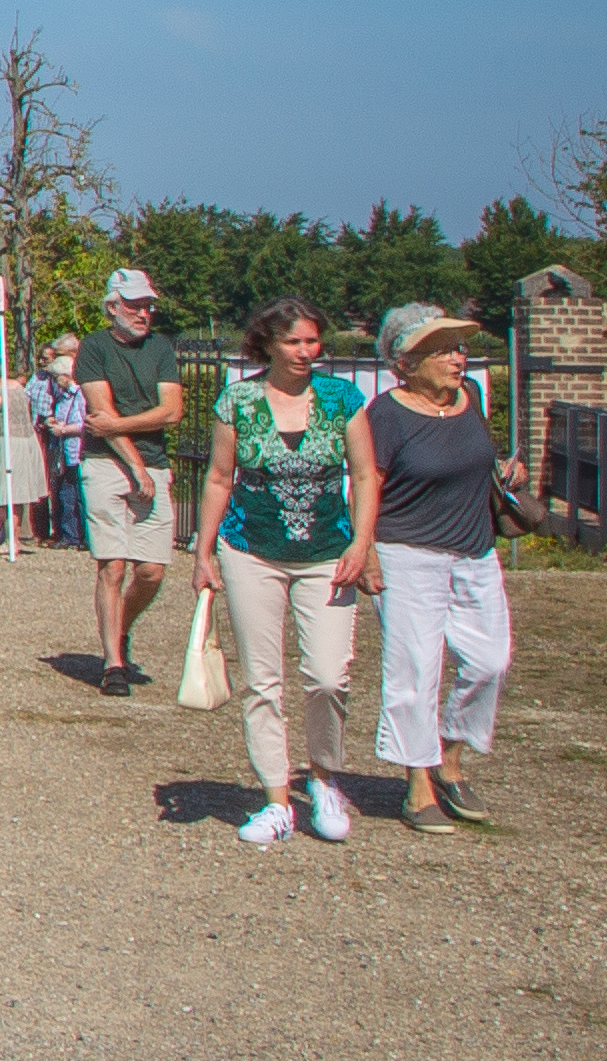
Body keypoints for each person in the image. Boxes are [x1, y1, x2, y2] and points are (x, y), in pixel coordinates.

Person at [187, 298, 360, 849]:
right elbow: (218, 477)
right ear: (267, 345)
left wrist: (363, 542)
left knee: (329, 675)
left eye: (313, 341)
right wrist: (203, 553)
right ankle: (277, 798)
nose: (307, 351)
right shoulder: (237, 399)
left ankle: (325, 779)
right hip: (251, 549)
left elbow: (367, 474)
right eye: (294, 342)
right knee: (263, 680)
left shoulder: (342, 398)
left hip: (328, 550)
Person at [351, 306, 520, 834]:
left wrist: (501, 473)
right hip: (408, 553)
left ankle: (447, 754)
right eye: (443, 348)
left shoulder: (469, 396)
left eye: (458, 347)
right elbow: (366, 481)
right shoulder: (387, 414)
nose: (457, 356)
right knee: (415, 671)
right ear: (407, 361)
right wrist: (367, 548)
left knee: (491, 660)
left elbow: (474, 460)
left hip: (474, 550)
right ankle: (418, 784)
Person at [76, 269, 190, 694]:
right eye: (135, 305)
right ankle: (113, 663)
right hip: (106, 463)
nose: (144, 313)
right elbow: (97, 409)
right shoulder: (95, 347)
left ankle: (120, 628)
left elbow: (171, 411)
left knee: (152, 571)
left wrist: (120, 426)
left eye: (148, 306)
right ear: (113, 307)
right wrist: (135, 464)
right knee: (113, 565)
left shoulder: (160, 348)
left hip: (153, 461)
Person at [30, 334, 90, 554]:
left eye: (57, 379)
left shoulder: (80, 395)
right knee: (63, 494)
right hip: (62, 450)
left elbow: (84, 423)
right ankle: (65, 533)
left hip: (75, 450)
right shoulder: (64, 396)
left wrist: (63, 429)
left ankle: (77, 536)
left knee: (75, 496)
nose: (55, 383)